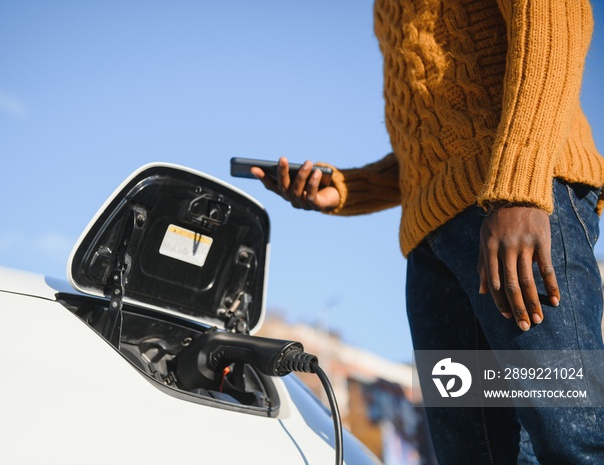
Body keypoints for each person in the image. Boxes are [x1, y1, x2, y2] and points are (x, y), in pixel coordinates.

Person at [252, 0, 604, 463]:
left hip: (519, 209)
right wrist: (348, 189)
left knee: (574, 441)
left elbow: (556, 17)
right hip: (432, 247)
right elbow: (439, 135)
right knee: (473, 456)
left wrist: (518, 188)